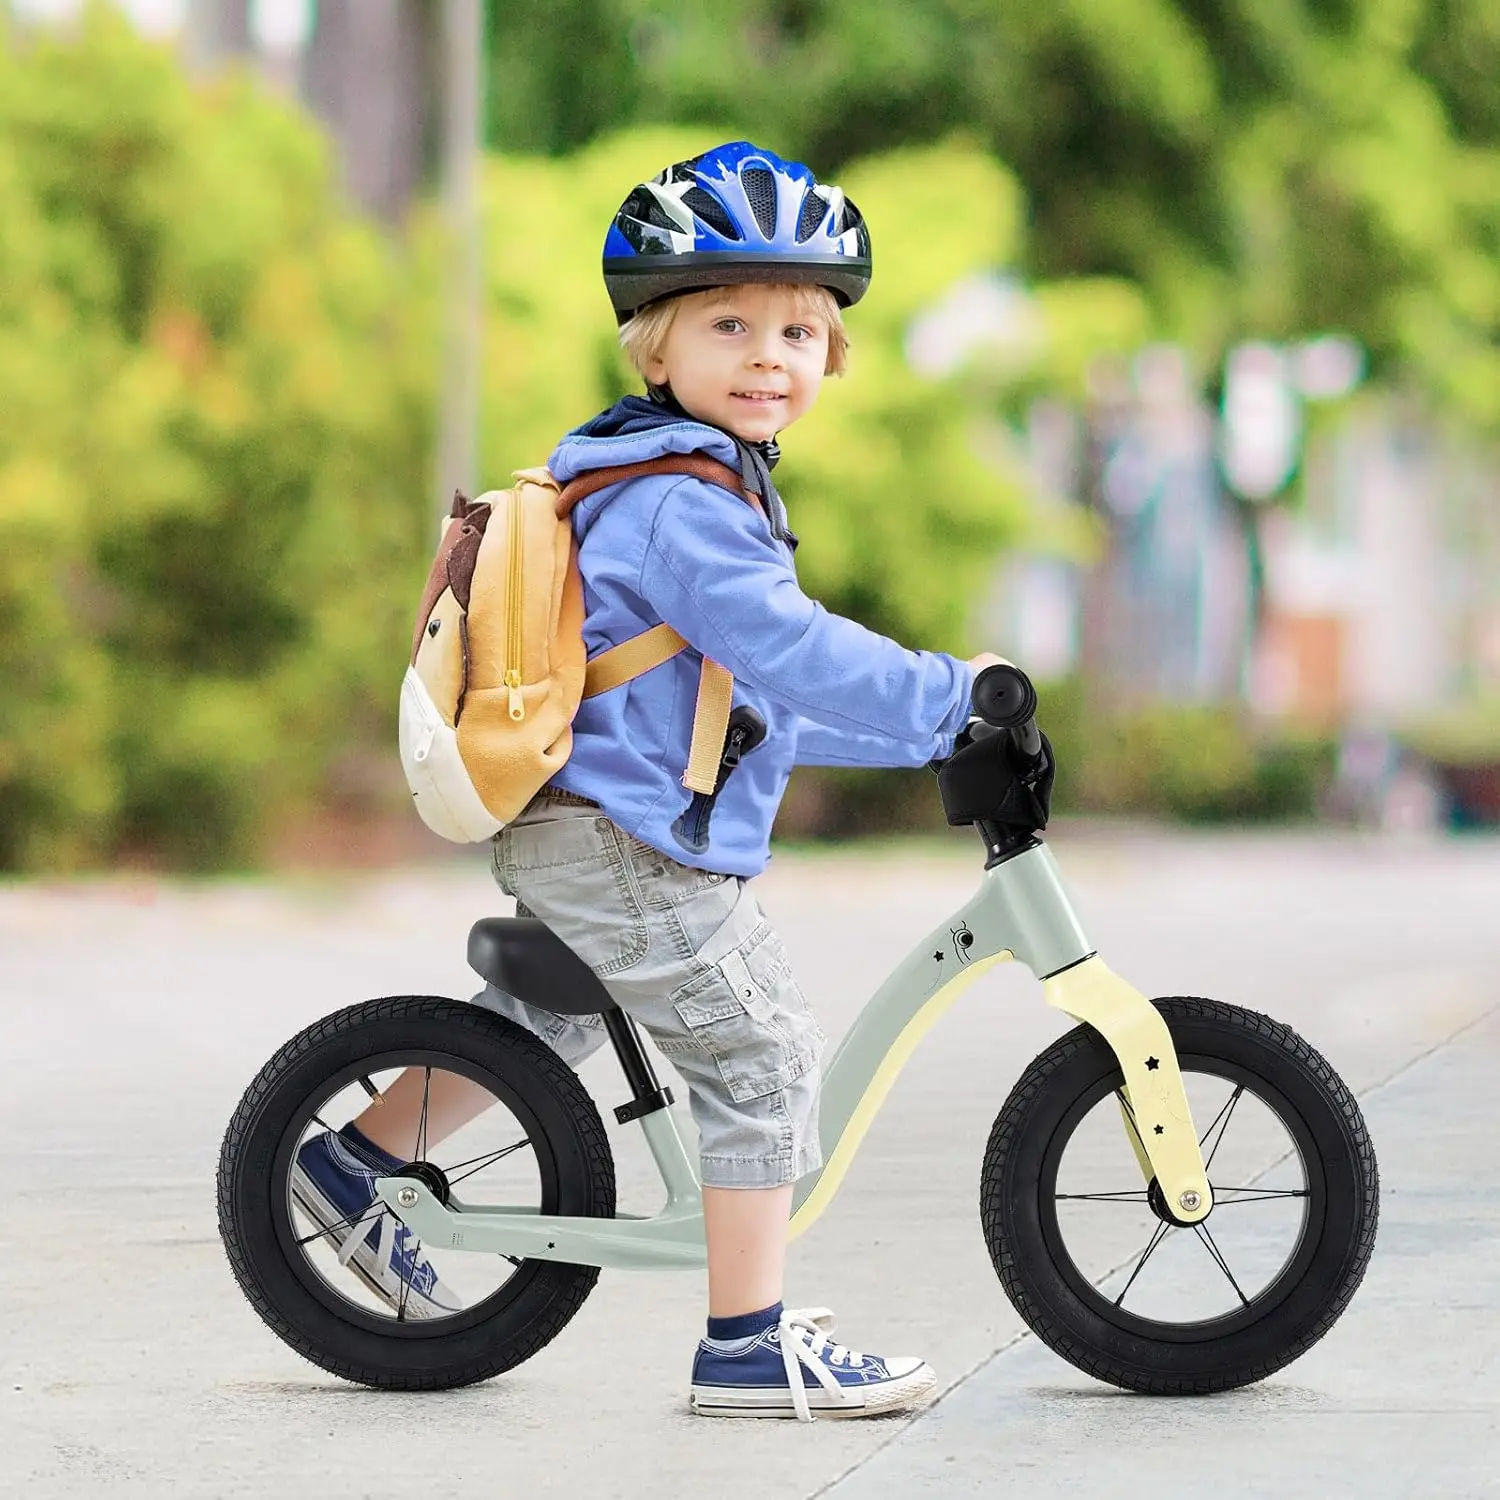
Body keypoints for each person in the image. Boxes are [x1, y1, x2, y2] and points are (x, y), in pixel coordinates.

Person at [291, 141, 1002, 1419]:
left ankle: (358, 1166)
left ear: (831, 358)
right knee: (763, 1056)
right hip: (625, 840)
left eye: (798, 329)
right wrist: (952, 694)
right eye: (730, 323)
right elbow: (791, 646)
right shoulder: (686, 504)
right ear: (656, 350)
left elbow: (753, 706)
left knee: (552, 1025)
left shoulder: (670, 478)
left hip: (589, 822)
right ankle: (745, 1340)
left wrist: (930, 736)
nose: (770, 355)